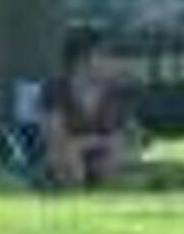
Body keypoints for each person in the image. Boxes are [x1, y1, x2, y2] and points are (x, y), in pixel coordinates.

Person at [37, 29, 142, 188]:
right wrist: (97, 142)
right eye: (104, 56)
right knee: (69, 156)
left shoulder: (116, 93)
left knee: (112, 159)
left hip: (105, 159)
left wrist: (116, 146)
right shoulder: (55, 90)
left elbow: (128, 137)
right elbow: (56, 140)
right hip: (65, 160)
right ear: (81, 61)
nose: (112, 63)